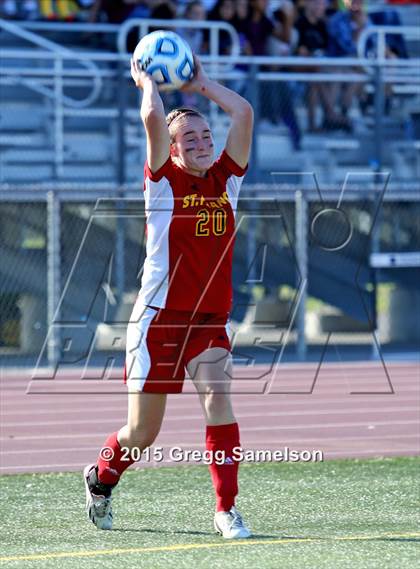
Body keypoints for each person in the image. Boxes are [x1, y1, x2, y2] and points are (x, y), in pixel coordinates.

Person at [83, 54, 254, 539]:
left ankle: (226, 509)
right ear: (172, 151)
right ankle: (101, 477)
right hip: (159, 321)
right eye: (190, 139)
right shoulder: (164, 184)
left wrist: (201, 85)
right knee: (143, 434)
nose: (202, 143)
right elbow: (154, 120)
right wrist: (147, 85)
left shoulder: (227, 179)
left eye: (206, 136)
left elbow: (242, 114)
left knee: (219, 400)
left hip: (208, 320)